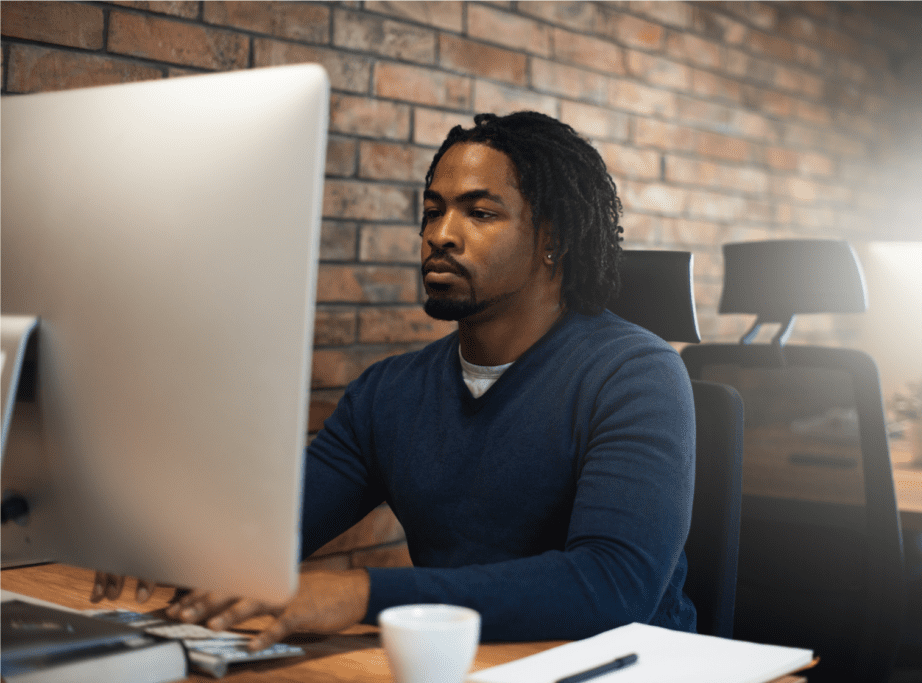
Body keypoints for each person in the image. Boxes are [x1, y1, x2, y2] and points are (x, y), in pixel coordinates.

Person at [93, 111, 696, 649]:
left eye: (480, 213)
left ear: (551, 242)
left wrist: (360, 593)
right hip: (455, 663)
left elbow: (612, 585)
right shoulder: (389, 391)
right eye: (433, 210)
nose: (441, 234)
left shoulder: (636, 374)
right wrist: (169, 546)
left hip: (623, 666)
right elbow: (275, 533)